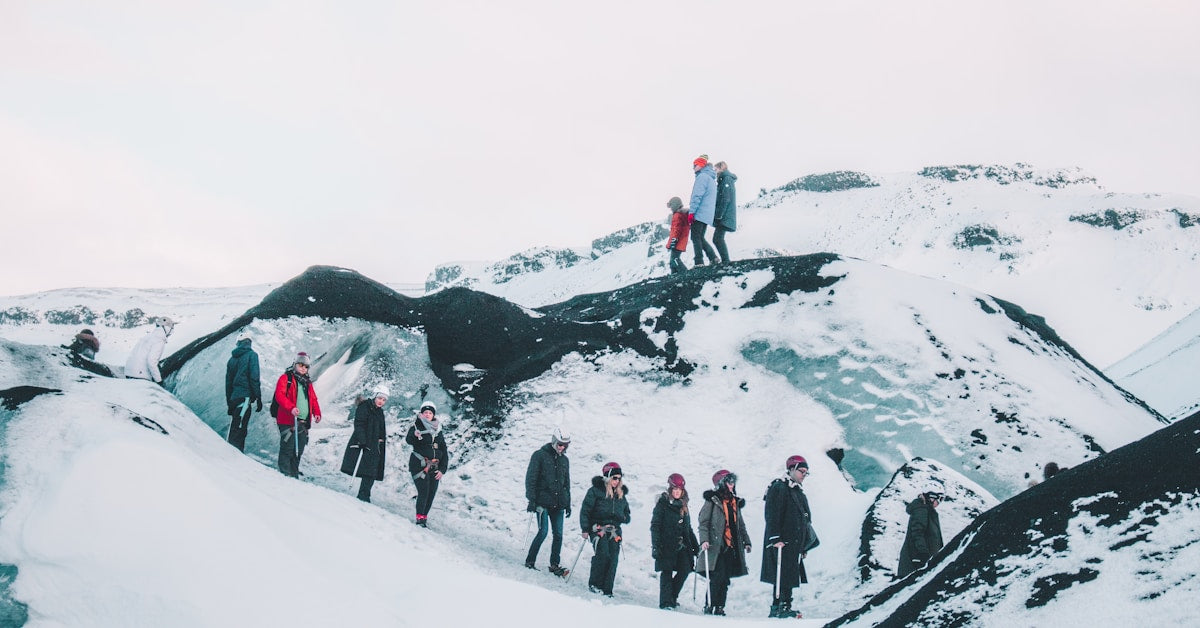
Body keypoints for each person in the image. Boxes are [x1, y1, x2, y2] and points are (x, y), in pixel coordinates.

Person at [761, 455, 816, 619]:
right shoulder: (779, 487)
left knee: (789, 573)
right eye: (801, 471)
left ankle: (783, 605)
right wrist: (775, 538)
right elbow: (772, 514)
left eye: (806, 472)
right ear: (791, 469)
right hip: (782, 541)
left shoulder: (796, 491)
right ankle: (780, 606)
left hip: (793, 542)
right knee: (782, 573)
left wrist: (804, 545)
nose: (804, 475)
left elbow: (804, 518)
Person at [697, 469, 753, 616]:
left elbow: (740, 525)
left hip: (732, 545)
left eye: (733, 482)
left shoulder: (735, 502)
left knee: (725, 577)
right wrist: (704, 540)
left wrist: (746, 541)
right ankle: (710, 604)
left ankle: (720, 606)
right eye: (729, 482)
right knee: (717, 576)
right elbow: (704, 522)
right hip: (717, 545)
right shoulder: (713, 500)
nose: (732, 485)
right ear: (722, 483)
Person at [524, 427, 572, 575]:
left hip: (559, 503)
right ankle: (530, 561)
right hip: (542, 502)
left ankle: (554, 565)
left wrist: (568, 503)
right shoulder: (539, 455)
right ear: (554, 441)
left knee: (558, 534)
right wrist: (532, 500)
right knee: (543, 531)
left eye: (565, 445)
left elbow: (566, 483)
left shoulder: (564, 460)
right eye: (560, 444)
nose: (562, 448)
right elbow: (531, 478)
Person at [580, 462, 631, 597]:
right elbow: (586, 510)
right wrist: (585, 528)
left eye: (619, 478)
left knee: (613, 558)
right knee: (603, 554)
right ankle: (595, 584)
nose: (617, 481)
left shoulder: (621, 494)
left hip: (614, 530)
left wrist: (622, 517)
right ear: (607, 477)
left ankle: (607, 588)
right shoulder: (595, 491)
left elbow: (627, 514)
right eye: (614, 478)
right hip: (598, 528)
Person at [651, 473, 700, 610]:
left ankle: (672, 597)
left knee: (685, 569)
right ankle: (666, 602)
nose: (677, 492)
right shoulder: (662, 504)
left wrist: (696, 547)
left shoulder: (683, 506)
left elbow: (688, 529)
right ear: (670, 489)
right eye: (675, 489)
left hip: (681, 545)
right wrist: (656, 546)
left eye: (680, 489)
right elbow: (655, 526)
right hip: (665, 544)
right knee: (666, 572)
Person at [273, 352, 322, 478]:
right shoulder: (286, 378)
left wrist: (317, 413)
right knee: (288, 448)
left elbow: (313, 399)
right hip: (288, 420)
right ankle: (284, 475)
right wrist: (291, 408)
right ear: (295, 364)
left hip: (302, 423)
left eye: (306, 366)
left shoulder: (307, 383)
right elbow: (279, 395)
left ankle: (293, 476)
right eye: (301, 365)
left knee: (298, 450)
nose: (303, 368)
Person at [341, 386, 389, 502]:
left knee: (372, 470)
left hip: (375, 445)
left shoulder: (380, 412)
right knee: (366, 468)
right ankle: (363, 494)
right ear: (375, 397)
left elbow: (381, 428)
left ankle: (365, 494)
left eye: (384, 400)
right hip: (365, 443)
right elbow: (359, 424)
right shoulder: (364, 407)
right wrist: (362, 440)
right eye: (379, 398)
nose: (381, 402)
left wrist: (381, 439)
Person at [407, 400, 449, 527]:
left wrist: (442, 469)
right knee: (424, 492)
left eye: (430, 413)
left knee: (431, 494)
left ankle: (424, 518)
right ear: (422, 414)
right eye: (425, 412)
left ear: (433, 415)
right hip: (419, 466)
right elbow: (409, 440)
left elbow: (444, 451)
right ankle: (419, 518)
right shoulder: (416, 427)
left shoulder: (438, 431)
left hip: (435, 467)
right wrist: (414, 435)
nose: (427, 414)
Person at [897, 482, 945, 578]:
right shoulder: (921, 510)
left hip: (921, 559)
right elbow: (917, 533)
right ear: (932, 497)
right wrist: (923, 554)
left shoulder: (926, 510)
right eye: (940, 499)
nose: (940, 502)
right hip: (916, 561)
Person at [224, 332, 261, 452]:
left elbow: (228, 383)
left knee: (235, 426)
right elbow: (254, 377)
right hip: (245, 398)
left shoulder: (231, 360)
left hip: (235, 398)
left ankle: (230, 453)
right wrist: (258, 397)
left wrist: (230, 403)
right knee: (240, 429)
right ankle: (235, 456)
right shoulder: (252, 355)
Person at [688, 155, 719, 266]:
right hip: (707, 214)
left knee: (695, 237)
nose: (693, 168)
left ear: (701, 165)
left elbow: (696, 196)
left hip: (699, 212)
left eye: (695, 165)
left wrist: (692, 212)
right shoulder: (711, 179)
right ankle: (713, 258)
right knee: (700, 237)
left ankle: (699, 262)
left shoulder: (702, 177)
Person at [125, 317, 175, 383]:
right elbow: (151, 361)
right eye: (171, 330)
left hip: (129, 372)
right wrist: (159, 381)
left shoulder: (148, 336)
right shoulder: (159, 340)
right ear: (167, 328)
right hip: (140, 375)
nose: (170, 333)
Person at [713, 161, 738, 263]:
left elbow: (725, 199)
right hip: (724, 214)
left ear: (721, 168)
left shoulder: (726, 179)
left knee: (717, 238)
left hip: (725, 215)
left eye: (716, 169)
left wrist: (719, 215)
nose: (714, 172)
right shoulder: (724, 179)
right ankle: (725, 261)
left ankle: (726, 261)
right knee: (718, 238)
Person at [665, 196, 690, 274]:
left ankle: (685, 273)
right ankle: (674, 275)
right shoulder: (682, 215)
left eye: (671, 206)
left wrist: (674, 240)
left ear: (675, 205)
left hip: (677, 241)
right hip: (680, 240)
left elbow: (676, 230)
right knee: (673, 260)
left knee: (674, 259)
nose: (671, 209)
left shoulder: (677, 215)